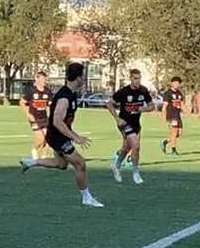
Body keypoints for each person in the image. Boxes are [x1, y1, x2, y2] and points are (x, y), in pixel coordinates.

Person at [19, 63, 103, 208]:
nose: (83, 80)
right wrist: (75, 137)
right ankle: (86, 197)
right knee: (80, 163)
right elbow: (58, 121)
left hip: (57, 135)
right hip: (58, 136)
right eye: (82, 76)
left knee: (61, 164)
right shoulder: (65, 97)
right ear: (78, 78)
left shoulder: (70, 94)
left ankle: (32, 162)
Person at [107, 69, 155, 184]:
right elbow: (109, 104)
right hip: (124, 123)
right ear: (131, 79)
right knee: (136, 146)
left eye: (139, 78)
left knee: (126, 148)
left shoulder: (143, 91)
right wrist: (117, 119)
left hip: (136, 124)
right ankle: (136, 172)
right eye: (135, 78)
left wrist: (143, 109)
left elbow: (152, 106)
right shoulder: (124, 92)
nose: (137, 81)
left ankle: (116, 165)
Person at [19, 71, 52, 159]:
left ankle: (44, 157)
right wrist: (28, 114)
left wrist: (51, 117)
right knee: (40, 137)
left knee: (48, 138)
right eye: (42, 79)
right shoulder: (31, 91)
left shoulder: (48, 91)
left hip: (44, 118)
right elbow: (22, 102)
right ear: (37, 79)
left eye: (45, 79)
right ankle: (34, 150)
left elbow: (49, 106)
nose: (44, 81)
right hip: (34, 118)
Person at [161, 76, 186, 155]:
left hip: (178, 115)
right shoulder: (168, 93)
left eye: (178, 83)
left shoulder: (179, 93)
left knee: (179, 133)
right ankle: (173, 150)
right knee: (174, 131)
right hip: (171, 115)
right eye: (175, 83)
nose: (177, 84)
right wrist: (163, 116)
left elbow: (182, 104)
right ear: (171, 83)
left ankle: (165, 142)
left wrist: (187, 111)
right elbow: (164, 106)